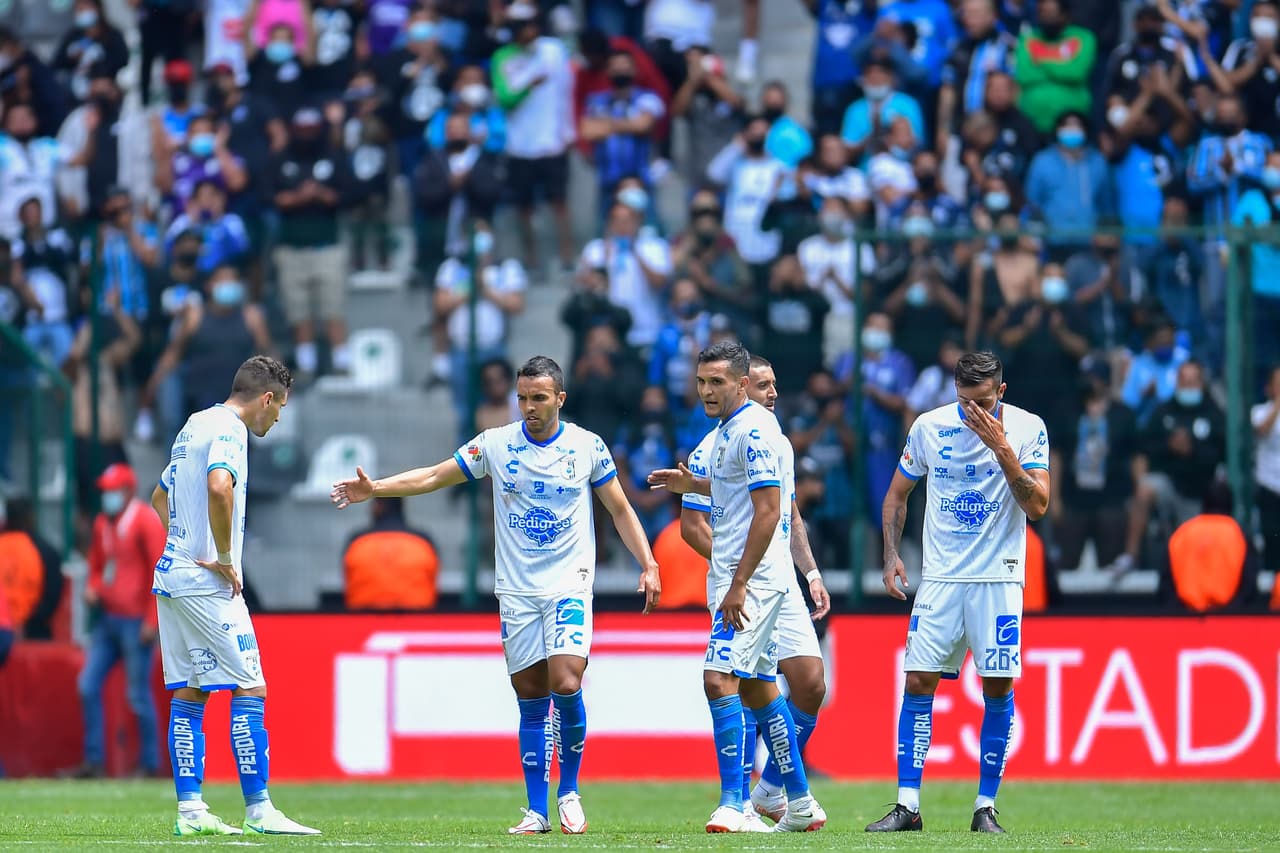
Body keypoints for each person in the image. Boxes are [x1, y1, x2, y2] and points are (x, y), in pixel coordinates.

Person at [330, 356, 662, 835]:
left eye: (539, 398)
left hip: (569, 584)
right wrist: (375, 489)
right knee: (529, 698)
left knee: (566, 683)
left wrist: (648, 562)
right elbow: (432, 476)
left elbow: (620, 509)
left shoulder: (586, 447)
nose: (528, 406)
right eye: (522, 397)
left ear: (560, 400)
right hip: (517, 592)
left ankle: (568, 789)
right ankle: (535, 811)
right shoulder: (496, 444)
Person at [646, 342, 826, 833]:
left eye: (717, 383)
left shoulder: (754, 432)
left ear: (741, 384)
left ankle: (735, 804)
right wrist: (694, 486)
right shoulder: (728, 435)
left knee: (718, 678)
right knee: (757, 685)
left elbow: (772, 510)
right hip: (744, 577)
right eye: (702, 382)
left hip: (756, 581)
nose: (706, 391)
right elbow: (735, 495)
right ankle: (801, 801)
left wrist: (739, 582)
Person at [869, 351, 1050, 834]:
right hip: (941, 579)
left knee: (998, 688)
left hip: (999, 579)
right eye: (967, 404)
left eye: (985, 404)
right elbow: (896, 495)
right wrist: (890, 554)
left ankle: (985, 807)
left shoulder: (1029, 428)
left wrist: (1003, 450)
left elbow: (1038, 506)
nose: (975, 414)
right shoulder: (929, 427)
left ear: (1002, 393)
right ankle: (908, 806)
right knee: (917, 683)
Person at [148, 355, 317, 836]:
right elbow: (220, 486)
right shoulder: (231, 430)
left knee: (191, 691)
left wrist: (183, 543)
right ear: (266, 398)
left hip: (172, 573)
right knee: (250, 686)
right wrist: (222, 555)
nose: (278, 417)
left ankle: (191, 811)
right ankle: (260, 809)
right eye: (279, 406)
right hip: (206, 582)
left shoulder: (194, 422)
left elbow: (159, 496)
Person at [74, 463, 166, 779]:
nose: (107, 497)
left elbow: (158, 569)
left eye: (112, 490)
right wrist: (93, 587)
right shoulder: (103, 524)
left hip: (134, 622)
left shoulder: (144, 521)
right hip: (110, 619)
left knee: (138, 695)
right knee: (87, 685)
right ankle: (95, 760)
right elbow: (99, 566)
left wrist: (152, 619)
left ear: (127, 491)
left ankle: (150, 764)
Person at [342, 497, 439, 610]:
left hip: (362, 619)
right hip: (417, 619)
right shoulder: (423, 541)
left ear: (378, 505)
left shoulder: (357, 541)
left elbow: (347, 581)